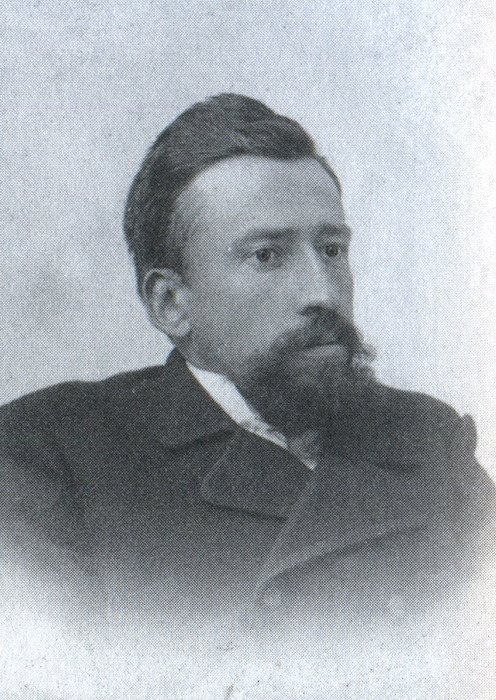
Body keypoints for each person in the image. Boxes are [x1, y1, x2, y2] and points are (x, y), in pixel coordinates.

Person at [1, 94, 494, 656]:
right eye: (267, 256)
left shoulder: (429, 438)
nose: (323, 292)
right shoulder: (50, 458)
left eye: (332, 250)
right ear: (170, 303)